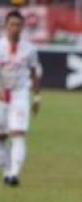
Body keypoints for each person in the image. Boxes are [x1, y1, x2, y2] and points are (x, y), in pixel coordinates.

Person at [0, 10, 41, 187]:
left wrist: (37, 97)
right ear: (5, 26)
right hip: (1, 94)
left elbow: (35, 72)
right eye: (11, 25)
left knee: (18, 133)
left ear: (23, 27)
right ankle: (8, 170)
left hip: (20, 93)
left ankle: (14, 174)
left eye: (18, 25)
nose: (14, 29)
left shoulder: (30, 49)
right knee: (1, 136)